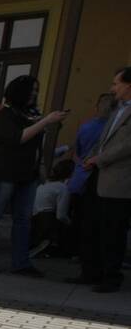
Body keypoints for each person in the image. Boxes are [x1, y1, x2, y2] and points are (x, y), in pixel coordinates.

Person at [0, 75, 69, 275]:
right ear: (20, 92)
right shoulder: (4, 115)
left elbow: (36, 144)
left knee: (23, 220)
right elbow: (17, 138)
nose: (35, 94)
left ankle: (21, 263)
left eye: (37, 90)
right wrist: (45, 121)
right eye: (32, 90)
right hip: (5, 173)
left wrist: (42, 165)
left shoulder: (31, 115)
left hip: (29, 174)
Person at [82, 66, 131, 293]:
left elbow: (125, 146)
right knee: (92, 224)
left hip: (118, 179)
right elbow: (105, 139)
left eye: (116, 84)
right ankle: (90, 271)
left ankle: (111, 277)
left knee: (113, 230)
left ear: (128, 85)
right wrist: (92, 156)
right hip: (99, 174)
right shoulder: (116, 110)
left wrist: (98, 159)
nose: (112, 88)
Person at [66, 93, 115, 278]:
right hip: (102, 178)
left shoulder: (86, 127)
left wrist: (81, 164)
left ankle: (80, 256)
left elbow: (76, 151)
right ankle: (96, 263)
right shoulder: (111, 130)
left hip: (81, 176)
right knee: (101, 224)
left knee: (82, 220)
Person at [29, 158, 73, 258]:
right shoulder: (62, 188)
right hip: (44, 222)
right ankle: (47, 243)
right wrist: (71, 224)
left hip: (33, 220)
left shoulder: (45, 184)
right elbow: (61, 216)